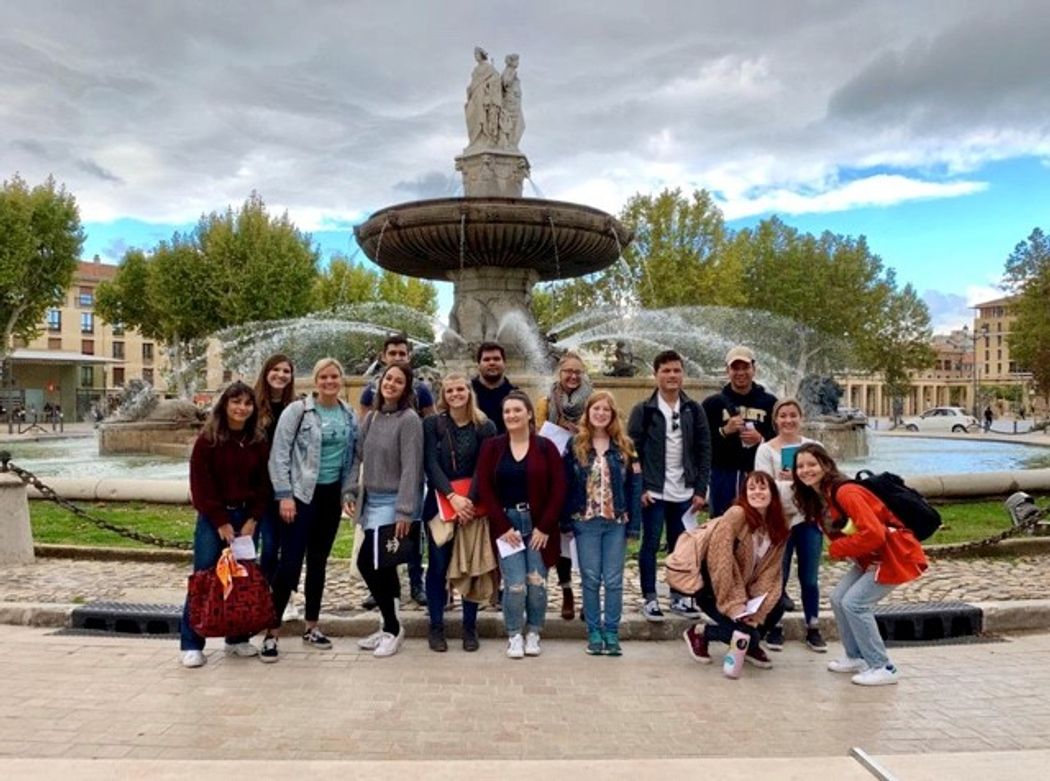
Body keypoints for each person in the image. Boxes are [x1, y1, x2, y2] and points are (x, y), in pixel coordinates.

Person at [792, 443, 928, 686]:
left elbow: (874, 533)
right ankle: (855, 656)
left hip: (893, 555)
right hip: (871, 557)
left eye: (811, 464)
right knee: (838, 598)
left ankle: (882, 665)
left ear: (825, 464)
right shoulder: (818, 496)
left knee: (855, 604)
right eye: (800, 466)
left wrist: (838, 549)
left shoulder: (845, 493)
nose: (805, 470)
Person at [264, 358, 358, 663]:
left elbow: (353, 457)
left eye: (334, 376)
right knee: (289, 564)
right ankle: (272, 631)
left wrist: (348, 491)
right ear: (315, 380)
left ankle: (312, 626)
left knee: (319, 562)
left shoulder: (348, 414)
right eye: (324, 377)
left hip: (331, 496)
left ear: (340, 380)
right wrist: (285, 495)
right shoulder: (298, 410)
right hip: (302, 495)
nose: (329, 381)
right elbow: (279, 454)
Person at [180, 381, 271, 668]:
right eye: (236, 402)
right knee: (205, 578)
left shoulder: (256, 441)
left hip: (245, 519)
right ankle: (192, 643)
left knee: (241, 579)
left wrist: (253, 518)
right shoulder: (208, 441)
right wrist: (219, 521)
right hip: (213, 520)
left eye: (247, 403)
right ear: (225, 405)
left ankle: (237, 638)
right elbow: (201, 485)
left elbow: (264, 485)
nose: (242, 408)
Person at [476, 391, 567, 659]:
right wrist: (503, 526)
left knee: (536, 582)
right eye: (507, 411)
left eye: (517, 410)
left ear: (529, 414)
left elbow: (559, 487)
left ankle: (534, 632)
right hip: (507, 525)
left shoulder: (545, 447)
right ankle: (514, 633)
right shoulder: (492, 448)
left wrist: (545, 526)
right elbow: (485, 488)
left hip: (539, 524)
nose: (512, 415)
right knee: (515, 583)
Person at [347, 362, 424, 659]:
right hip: (372, 501)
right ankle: (387, 626)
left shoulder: (410, 420)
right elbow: (358, 456)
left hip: (394, 504)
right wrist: (350, 489)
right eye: (388, 378)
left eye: (398, 381)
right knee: (381, 566)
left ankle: (393, 629)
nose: (391, 384)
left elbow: (411, 468)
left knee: (370, 563)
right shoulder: (373, 418)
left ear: (406, 388)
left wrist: (405, 511)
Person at [628, 349, 711, 622]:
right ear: (656, 375)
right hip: (654, 491)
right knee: (649, 545)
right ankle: (650, 598)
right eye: (666, 371)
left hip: (685, 492)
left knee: (680, 547)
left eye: (676, 370)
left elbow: (704, 449)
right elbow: (632, 451)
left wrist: (700, 489)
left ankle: (679, 596)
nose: (672, 375)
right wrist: (639, 488)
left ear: (682, 375)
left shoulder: (693, 409)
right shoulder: (644, 410)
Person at [681, 471, 789, 670]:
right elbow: (720, 562)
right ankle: (700, 632)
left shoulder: (779, 526)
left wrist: (755, 610)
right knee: (745, 630)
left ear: (773, 493)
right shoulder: (736, 515)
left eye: (763, 488)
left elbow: (771, 572)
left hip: (747, 592)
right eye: (752, 488)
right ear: (744, 493)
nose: (757, 492)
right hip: (715, 589)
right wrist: (737, 606)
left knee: (777, 606)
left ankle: (749, 643)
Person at [563, 391, 642, 656]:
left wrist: (634, 526)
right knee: (590, 579)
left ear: (612, 415)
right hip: (585, 521)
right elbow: (565, 483)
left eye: (606, 410)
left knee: (613, 579)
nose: (601, 414)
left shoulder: (624, 447)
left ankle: (611, 631)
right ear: (588, 412)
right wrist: (565, 520)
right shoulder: (575, 445)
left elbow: (634, 487)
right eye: (596, 409)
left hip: (615, 521)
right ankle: (594, 632)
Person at [422, 373, 497, 652]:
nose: (456, 394)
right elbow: (430, 462)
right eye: (450, 390)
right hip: (440, 506)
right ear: (444, 394)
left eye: (461, 389)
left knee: (471, 566)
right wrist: (452, 496)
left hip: (472, 509)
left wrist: (468, 500)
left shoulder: (484, 426)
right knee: (438, 566)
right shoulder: (432, 424)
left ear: (469, 391)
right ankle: (437, 626)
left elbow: (484, 467)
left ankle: (469, 626)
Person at [358, 333, 433, 607]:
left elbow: (430, 425)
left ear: (409, 356)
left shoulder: (422, 391)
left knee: (409, 539)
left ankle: (416, 583)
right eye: (393, 354)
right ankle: (381, 593)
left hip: (406, 480)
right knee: (379, 552)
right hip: (377, 488)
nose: (398, 358)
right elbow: (362, 429)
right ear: (384, 356)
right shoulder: (370, 393)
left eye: (403, 354)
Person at [753, 398, 827, 652]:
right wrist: (783, 480)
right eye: (783, 416)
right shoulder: (765, 450)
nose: (788, 420)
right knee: (777, 576)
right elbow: (761, 486)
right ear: (775, 420)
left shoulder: (813, 447)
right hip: (779, 522)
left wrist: (796, 478)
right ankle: (775, 625)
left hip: (808, 519)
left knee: (809, 577)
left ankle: (813, 626)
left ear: (801, 417)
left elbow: (823, 484)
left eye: (793, 415)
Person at [537, 351, 593, 621]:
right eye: (568, 371)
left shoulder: (593, 401)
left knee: (584, 537)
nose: (572, 376)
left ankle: (587, 594)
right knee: (561, 539)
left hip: (584, 475)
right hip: (555, 474)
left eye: (577, 372)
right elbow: (538, 433)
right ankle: (567, 591)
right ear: (559, 374)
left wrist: (583, 433)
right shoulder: (546, 401)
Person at [702, 345, 777, 517]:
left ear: (754, 369)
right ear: (727, 371)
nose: (741, 373)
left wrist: (761, 439)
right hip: (723, 475)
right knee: (723, 524)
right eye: (735, 368)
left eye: (746, 367)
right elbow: (701, 443)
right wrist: (724, 431)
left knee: (758, 524)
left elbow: (783, 439)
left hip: (757, 474)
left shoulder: (769, 402)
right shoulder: (712, 404)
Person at [253, 354, 297, 616]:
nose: (280, 375)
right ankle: (259, 595)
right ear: (266, 372)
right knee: (262, 548)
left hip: (283, 489)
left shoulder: (296, 407)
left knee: (278, 547)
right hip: (255, 488)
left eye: (286, 371)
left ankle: (281, 596)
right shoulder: (251, 404)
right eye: (275, 370)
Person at [471, 341, 517, 434]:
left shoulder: (515, 394)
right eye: (486, 359)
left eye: (496, 359)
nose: (492, 363)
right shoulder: (467, 392)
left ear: (504, 363)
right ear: (478, 364)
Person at [464, 46, 502, 150]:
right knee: (470, 114)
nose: (475, 56)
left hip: (483, 95)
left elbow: (496, 78)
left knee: (483, 116)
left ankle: (485, 137)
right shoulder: (475, 70)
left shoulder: (488, 67)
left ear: (481, 55)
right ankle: (474, 139)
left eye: (477, 54)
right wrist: (469, 89)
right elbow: (473, 82)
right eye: (474, 55)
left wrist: (488, 83)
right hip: (475, 95)